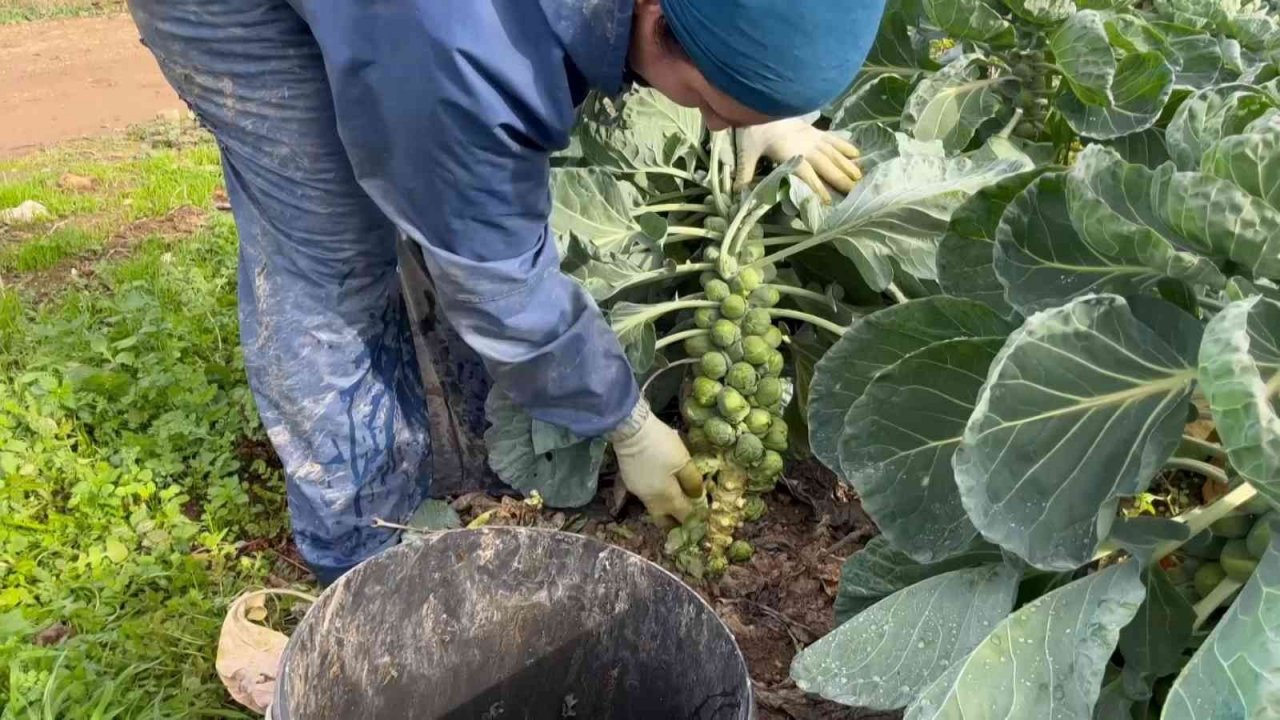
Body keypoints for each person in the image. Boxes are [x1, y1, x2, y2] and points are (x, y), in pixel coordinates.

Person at [126, 0, 884, 585]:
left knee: (436, 195)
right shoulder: (465, 54)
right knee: (331, 253)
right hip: (236, 14)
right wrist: (624, 421)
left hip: (408, 36)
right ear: (654, 17)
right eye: (714, 102)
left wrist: (765, 98)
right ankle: (359, 540)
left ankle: (457, 438)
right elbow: (497, 279)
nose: (715, 121)